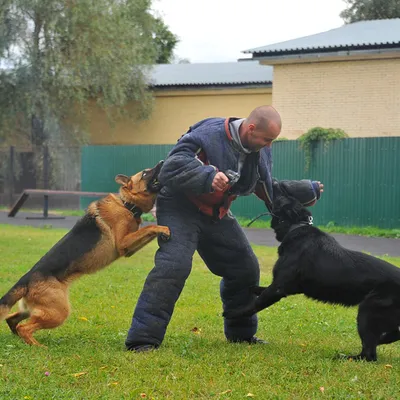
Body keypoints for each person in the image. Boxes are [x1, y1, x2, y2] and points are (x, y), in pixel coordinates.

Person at [125, 105, 323, 352]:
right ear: (251, 128)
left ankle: (241, 334)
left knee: (245, 268)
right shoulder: (208, 133)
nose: (269, 145)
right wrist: (207, 175)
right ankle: (142, 340)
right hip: (180, 206)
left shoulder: (259, 151)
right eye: (267, 139)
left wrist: (306, 191)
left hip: (216, 214)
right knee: (173, 266)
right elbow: (173, 166)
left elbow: (265, 186)